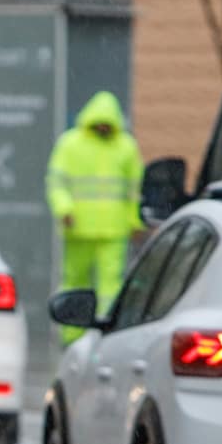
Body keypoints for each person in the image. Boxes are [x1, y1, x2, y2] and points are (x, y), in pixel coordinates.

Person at [45, 90, 144, 341]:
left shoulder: (125, 146)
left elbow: (134, 190)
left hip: (112, 229)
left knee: (109, 284)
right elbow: (57, 183)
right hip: (81, 227)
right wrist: (64, 209)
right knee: (77, 281)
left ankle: (104, 332)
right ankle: (73, 335)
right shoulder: (72, 144)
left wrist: (135, 221)